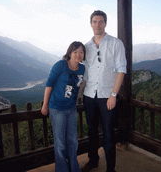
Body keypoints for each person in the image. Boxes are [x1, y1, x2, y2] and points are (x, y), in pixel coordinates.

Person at [81, 10, 127, 172]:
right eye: (94, 21)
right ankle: (93, 160)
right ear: (91, 24)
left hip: (107, 96)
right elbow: (85, 73)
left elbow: (121, 70)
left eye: (101, 21)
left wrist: (113, 95)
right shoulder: (86, 47)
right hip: (89, 96)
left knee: (109, 134)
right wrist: (77, 94)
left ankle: (110, 169)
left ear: (106, 23)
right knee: (92, 131)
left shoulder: (116, 43)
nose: (97, 24)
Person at [41, 41, 86, 172]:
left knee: (73, 141)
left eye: (81, 52)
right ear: (69, 53)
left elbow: (79, 84)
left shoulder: (82, 68)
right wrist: (45, 105)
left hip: (71, 108)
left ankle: (74, 168)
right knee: (60, 143)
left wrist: (76, 97)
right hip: (57, 108)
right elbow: (49, 84)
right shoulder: (60, 65)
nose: (78, 54)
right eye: (75, 51)